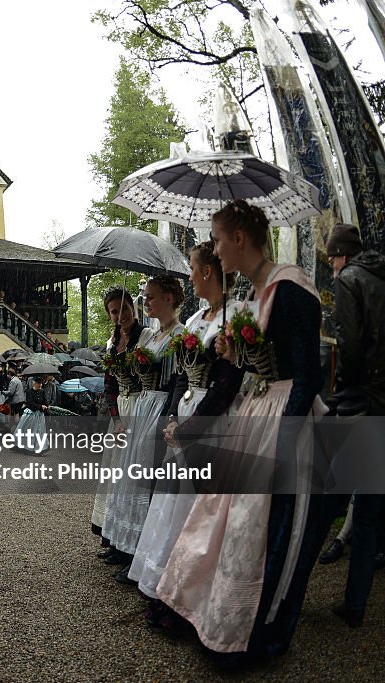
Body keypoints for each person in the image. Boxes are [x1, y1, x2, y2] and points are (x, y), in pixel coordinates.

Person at [156, 199, 326, 664]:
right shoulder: (251, 295)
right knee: (227, 521)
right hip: (255, 411)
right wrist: (237, 358)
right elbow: (246, 371)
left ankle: (260, 632)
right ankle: (218, 617)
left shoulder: (290, 288)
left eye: (217, 238)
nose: (214, 249)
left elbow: (309, 374)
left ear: (238, 238)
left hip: (285, 416)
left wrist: (286, 442)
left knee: (269, 530)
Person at [131, 241, 244, 628]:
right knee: (171, 508)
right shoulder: (196, 320)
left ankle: (188, 599)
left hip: (211, 428)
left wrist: (192, 427)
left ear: (208, 272)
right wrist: (170, 418)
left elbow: (228, 382)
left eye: (193, 268)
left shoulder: (235, 317)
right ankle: (166, 587)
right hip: (183, 419)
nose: (191, 276)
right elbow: (182, 374)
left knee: (197, 517)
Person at [103, 275, 186, 584]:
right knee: (130, 480)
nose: (145, 302)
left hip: (159, 407)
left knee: (146, 484)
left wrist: (169, 415)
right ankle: (125, 547)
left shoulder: (179, 334)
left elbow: (180, 379)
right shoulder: (151, 338)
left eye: (150, 297)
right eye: (145, 297)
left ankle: (141, 553)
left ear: (168, 298)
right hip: (141, 407)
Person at [321, 223, 385, 627]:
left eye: (330, 258)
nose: (330, 265)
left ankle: (289, 587)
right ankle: (355, 602)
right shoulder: (380, 275)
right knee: (371, 503)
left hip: (363, 402)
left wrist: (342, 393)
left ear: (342, 254)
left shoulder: (350, 279)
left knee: (333, 496)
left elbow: (350, 344)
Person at [92, 287, 145, 563]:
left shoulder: (144, 338)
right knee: (114, 477)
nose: (121, 315)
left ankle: (130, 541)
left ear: (132, 309)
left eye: (125, 308)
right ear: (109, 314)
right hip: (120, 413)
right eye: (115, 311)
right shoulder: (112, 343)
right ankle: (113, 538)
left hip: (139, 406)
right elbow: (109, 385)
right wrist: (116, 418)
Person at [15, 375, 49, 454]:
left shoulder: (42, 391)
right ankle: (26, 446)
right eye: (38, 383)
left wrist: (46, 406)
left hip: (40, 415)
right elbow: (30, 403)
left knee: (39, 431)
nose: (40, 385)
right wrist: (40, 406)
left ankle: (38, 447)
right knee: (29, 431)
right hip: (31, 414)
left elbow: (45, 400)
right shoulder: (29, 391)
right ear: (34, 383)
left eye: (40, 384)